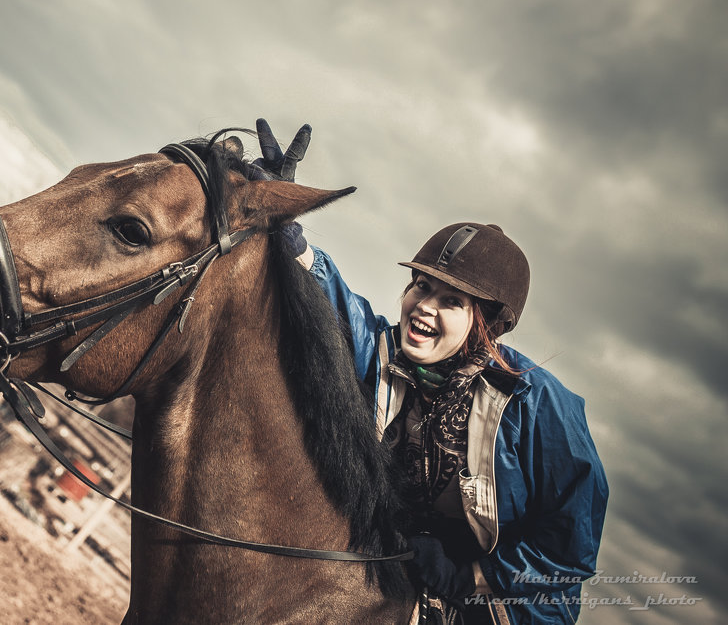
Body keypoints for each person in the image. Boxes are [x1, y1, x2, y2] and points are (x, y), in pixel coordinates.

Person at [251, 120, 609, 624]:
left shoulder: (539, 406)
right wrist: (283, 221)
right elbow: (332, 302)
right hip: (399, 567)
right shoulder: (382, 351)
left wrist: (472, 575)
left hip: (508, 603)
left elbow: (570, 549)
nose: (422, 307)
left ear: (482, 325)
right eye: (419, 286)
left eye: (450, 301)